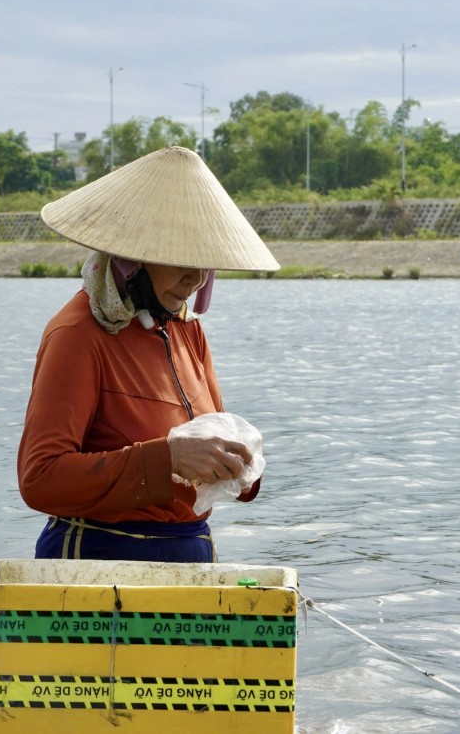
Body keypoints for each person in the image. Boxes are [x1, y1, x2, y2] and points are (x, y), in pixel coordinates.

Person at [17, 146, 280, 563]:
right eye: (180, 260)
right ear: (132, 260)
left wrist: (236, 469)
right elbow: (41, 479)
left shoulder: (187, 331)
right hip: (99, 563)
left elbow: (206, 448)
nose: (194, 279)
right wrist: (167, 458)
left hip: (189, 552)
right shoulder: (77, 335)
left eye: (204, 263)